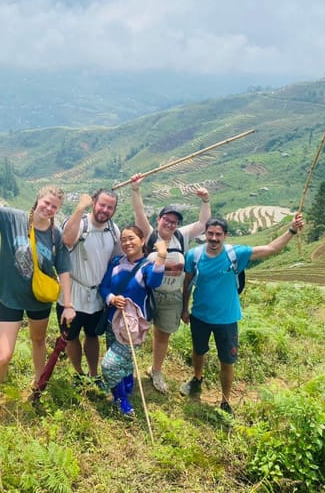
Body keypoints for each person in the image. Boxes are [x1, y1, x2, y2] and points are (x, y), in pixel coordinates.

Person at [0, 155, 75, 415]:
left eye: (54, 207)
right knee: (4, 355)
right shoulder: (13, 218)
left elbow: (63, 268)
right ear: (38, 200)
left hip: (39, 298)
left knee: (38, 342)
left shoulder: (55, 233)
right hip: (9, 296)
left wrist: (69, 304)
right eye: (47, 203)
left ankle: (39, 388)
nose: (49, 209)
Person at [181, 213, 305, 416]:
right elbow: (187, 283)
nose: (213, 238)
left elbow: (271, 248)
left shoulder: (236, 254)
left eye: (218, 234)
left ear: (225, 235)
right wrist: (184, 308)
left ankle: (225, 400)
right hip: (200, 316)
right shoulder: (194, 255)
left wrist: (291, 230)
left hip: (227, 319)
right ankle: (197, 379)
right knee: (198, 351)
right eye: (210, 233)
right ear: (205, 233)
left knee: (227, 361)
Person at [130, 174, 211, 393]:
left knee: (163, 335)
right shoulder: (149, 235)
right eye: (167, 219)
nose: (170, 224)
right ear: (159, 218)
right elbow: (139, 213)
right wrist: (135, 190)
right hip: (148, 295)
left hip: (172, 296)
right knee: (135, 333)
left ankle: (155, 371)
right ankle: (127, 370)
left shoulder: (181, 236)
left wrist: (205, 201)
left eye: (174, 222)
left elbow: (203, 224)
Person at [99, 225, 167, 415]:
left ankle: (122, 401)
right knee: (124, 360)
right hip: (112, 322)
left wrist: (161, 255)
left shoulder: (146, 267)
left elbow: (155, 282)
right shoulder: (115, 263)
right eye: (123, 239)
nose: (127, 243)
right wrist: (111, 298)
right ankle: (126, 385)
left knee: (110, 365)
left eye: (131, 238)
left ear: (142, 240)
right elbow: (104, 287)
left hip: (133, 326)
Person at [60, 189, 121, 385]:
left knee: (93, 335)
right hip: (72, 293)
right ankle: (78, 373)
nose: (105, 210)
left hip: (97, 295)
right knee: (71, 336)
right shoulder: (79, 223)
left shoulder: (114, 230)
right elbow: (67, 241)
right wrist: (79, 209)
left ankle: (94, 374)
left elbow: (116, 261)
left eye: (110, 207)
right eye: (102, 204)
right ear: (93, 202)